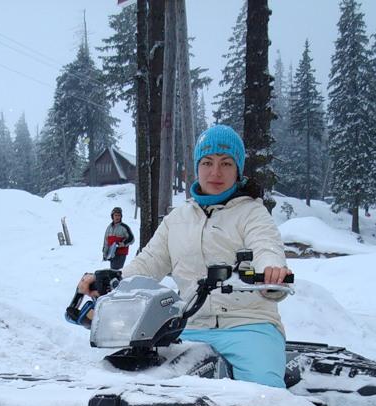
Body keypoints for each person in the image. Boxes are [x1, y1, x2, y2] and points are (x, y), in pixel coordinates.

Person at [79, 124, 292, 388]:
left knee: (264, 396)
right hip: (187, 328)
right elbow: (149, 263)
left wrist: (272, 268)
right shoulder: (177, 219)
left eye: (226, 163)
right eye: (207, 162)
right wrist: (113, 281)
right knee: (138, 388)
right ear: (197, 166)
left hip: (248, 326)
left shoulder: (252, 213)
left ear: (238, 168)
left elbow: (266, 244)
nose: (215, 172)